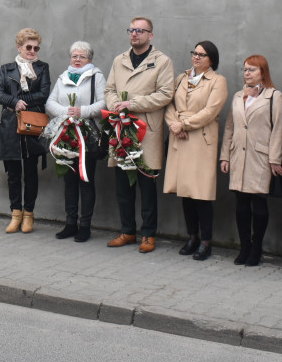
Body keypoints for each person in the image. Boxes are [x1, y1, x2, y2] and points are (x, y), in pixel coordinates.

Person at [104, 16, 175, 254]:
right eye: (131, 30)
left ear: (150, 35)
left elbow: (165, 94)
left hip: (146, 131)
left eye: (140, 31)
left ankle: (148, 234)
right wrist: (116, 104)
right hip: (121, 128)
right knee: (123, 185)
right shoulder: (119, 60)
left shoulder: (162, 61)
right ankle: (127, 231)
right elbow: (109, 89)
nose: (134, 34)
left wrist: (132, 104)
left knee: (147, 187)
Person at [219, 55, 282, 266]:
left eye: (252, 70)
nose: (247, 73)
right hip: (239, 155)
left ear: (263, 73)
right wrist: (225, 156)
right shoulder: (239, 96)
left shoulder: (274, 96)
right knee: (241, 204)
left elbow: (279, 129)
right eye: (245, 69)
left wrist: (275, 159)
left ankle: (256, 247)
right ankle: (244, 247)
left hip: (261, 157)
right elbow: (230, 127)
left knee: (258, 203)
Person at [165, 41, 228, 261]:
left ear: (212, 59)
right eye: (195, 53)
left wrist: (184, 124)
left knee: (201, 194)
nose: (197, 57)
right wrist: (174, 124)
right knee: (185, 192)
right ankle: (192, 237)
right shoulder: (181, 78)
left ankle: (206, 241)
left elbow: (211, 111)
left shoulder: (218, 81)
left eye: (202, 55)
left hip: (200, 141)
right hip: (180, 139)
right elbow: (169, 104)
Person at [45, 41, 106, 242]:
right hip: (65, 134)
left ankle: (85, 226)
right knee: (69, 181)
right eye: (74, 56)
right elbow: (50, 103)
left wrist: (82, 112)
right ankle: (70, 223)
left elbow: (103, 103)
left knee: (85, 181)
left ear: (89, 59)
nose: (77, 60)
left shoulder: (96, 76)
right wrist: (66, 113)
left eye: (82, 56)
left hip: (86, 135)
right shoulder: (63, 77)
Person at [0, 28, 51, 234]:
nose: (32, 51)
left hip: (32, 125)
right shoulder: (6, 69)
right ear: (19, 47)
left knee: (31, 172)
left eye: (36, 47)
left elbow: (44, 94)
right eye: (29, 47)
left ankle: (29, 215)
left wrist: (20, 102)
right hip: (10, 126)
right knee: (13, 174)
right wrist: (12, 101)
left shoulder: (42, 68)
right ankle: (15, 213)